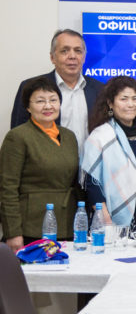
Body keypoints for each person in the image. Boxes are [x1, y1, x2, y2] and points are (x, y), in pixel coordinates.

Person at [0, 77, 81, 252]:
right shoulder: (17, 136)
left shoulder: (69, 136)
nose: (48, 106)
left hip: (66, 225)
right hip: (31, 227)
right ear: (28, 107)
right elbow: (7, 188)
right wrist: (12, 232)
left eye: (53, 100)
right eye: (40, 101)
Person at [80, 76, 136, 231]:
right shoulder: (100, 136)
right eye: (124, 99)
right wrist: (104, 218)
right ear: (110, 103)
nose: (130, 104)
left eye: (134, 98)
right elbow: (92, 183)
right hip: (110, 215)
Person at [10, 29, 104, 150]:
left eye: (78, 51)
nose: (72, 56)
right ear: (52, 57)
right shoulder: (30, 87)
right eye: (64, 51)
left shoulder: (100, 89)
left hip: (91, 161)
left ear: (84, 57)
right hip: (47, 160)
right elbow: (18, 135)